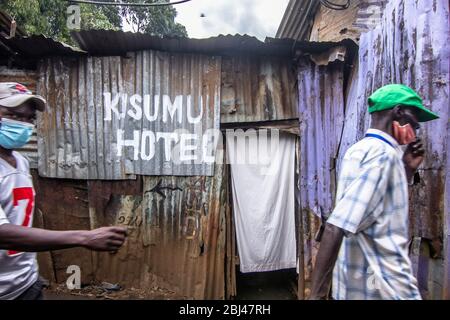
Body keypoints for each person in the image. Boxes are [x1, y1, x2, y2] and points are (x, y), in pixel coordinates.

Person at [309, 84, 440, 300]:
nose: (415, 131)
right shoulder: (384, 156)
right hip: (385, 289)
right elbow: (336, 226)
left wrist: (406, 168)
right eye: (415, 123)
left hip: (355, 285)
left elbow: (373, 209)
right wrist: (316, 296)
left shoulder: (358, 150)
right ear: (399, 112)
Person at [0, 82, 127, 300]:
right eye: (14, 115)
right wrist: (83, 238)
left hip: (25, 284)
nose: (23, 124)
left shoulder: (20, 162)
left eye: (29, 118)